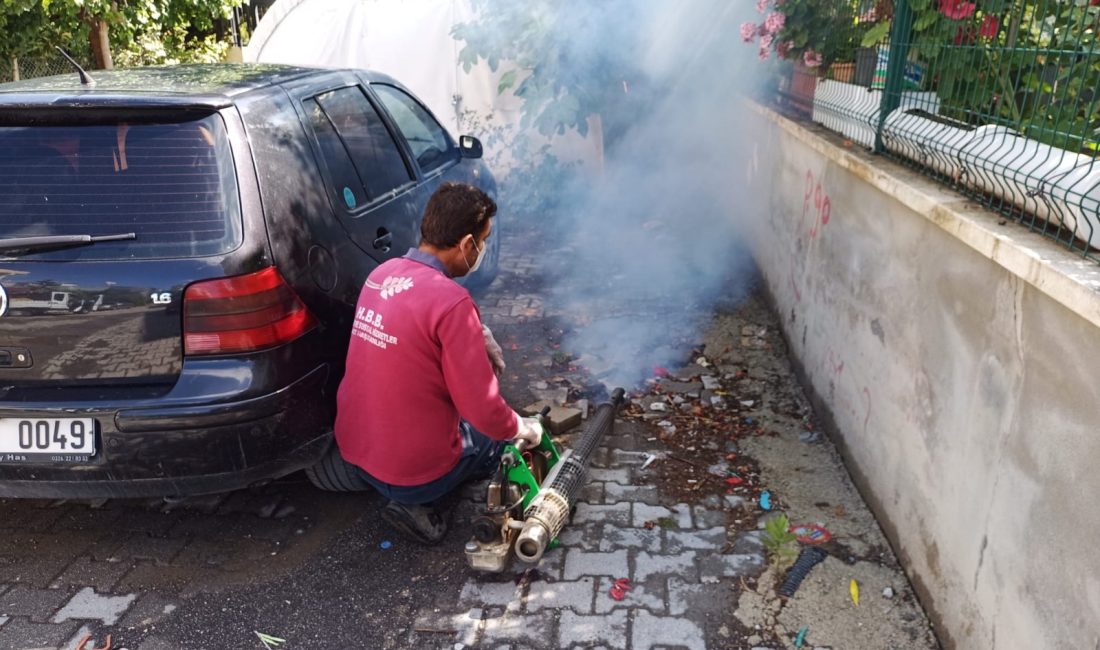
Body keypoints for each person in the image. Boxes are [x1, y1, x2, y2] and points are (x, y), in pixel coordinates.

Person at [334, 182, 542, 544]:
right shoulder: (452, 302)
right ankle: (426, 504)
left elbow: (411, 325)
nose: (483, 249)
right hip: (413, 475)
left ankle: (407, 487)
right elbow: (484, 410)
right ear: (466, 244)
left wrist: (477, 330)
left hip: (355, 454)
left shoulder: (381, 275)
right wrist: (521, 429)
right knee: (492, 442)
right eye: (484, 239)